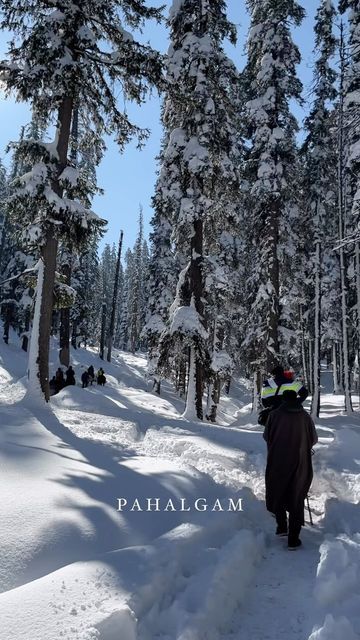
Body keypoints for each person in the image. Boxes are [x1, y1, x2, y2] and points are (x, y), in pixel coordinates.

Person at [263, 390, 318, 550]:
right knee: (296, 496)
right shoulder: (305, 416)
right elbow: (313, 438)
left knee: (277, 491)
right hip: (300, 461)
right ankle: (293, 539)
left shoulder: (274, 415)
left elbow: (267, 437)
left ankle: (281, 526)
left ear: (283, 400)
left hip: (277, 460)